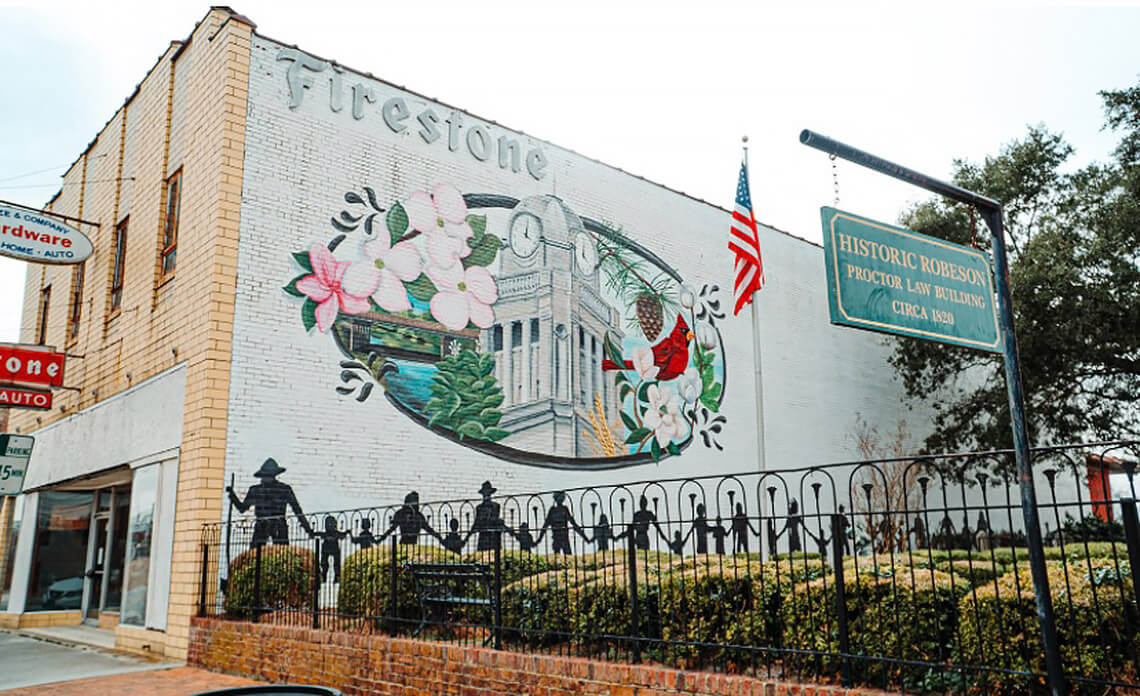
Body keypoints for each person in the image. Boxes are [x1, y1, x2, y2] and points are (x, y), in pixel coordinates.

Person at [227, 458, 313, 547]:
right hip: (270, 525)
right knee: (278, 553)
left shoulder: (257, 490)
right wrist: (308, 530)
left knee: (262, 553)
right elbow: (298, 511)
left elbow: (242, 508)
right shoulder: (283, 489)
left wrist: (232, 495)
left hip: (271, 525)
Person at [466, 481, 506, 551]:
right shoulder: (479, 507)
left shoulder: (496, 506)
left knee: (494, 556)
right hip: (483, 536)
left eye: (488, 493)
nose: (486, 495)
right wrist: (468, 536)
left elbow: (495, 519)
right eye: (485, 493)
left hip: (493, 536)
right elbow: (477, 522)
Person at [314, 515, 348, 584]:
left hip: (333, 549)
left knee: (336, 563)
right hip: (327, 549)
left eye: (331, 523)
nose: (330, 525)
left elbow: (342, 536)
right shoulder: (327, 533)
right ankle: (324, 576)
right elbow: (318, 534)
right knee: (324, 563)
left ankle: (336, 576)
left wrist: (346, 533)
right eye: (328, 524)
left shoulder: (335, 533)